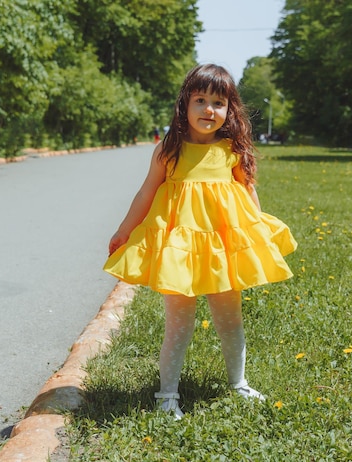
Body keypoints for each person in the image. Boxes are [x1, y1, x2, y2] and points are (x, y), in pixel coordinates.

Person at [103, 64, 297, 419]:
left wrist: (260, 230)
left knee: (230, 320)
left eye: (218, 103)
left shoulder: (232, 149)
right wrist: (124, 229)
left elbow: (248, 191)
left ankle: (238, 384)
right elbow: (147, 192)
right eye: (200, 100)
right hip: (180, 249)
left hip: (222, 248)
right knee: (179, 321)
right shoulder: (169, 150)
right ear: (185, 104)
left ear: (229, 110)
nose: (209, 110)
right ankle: (166, 395)